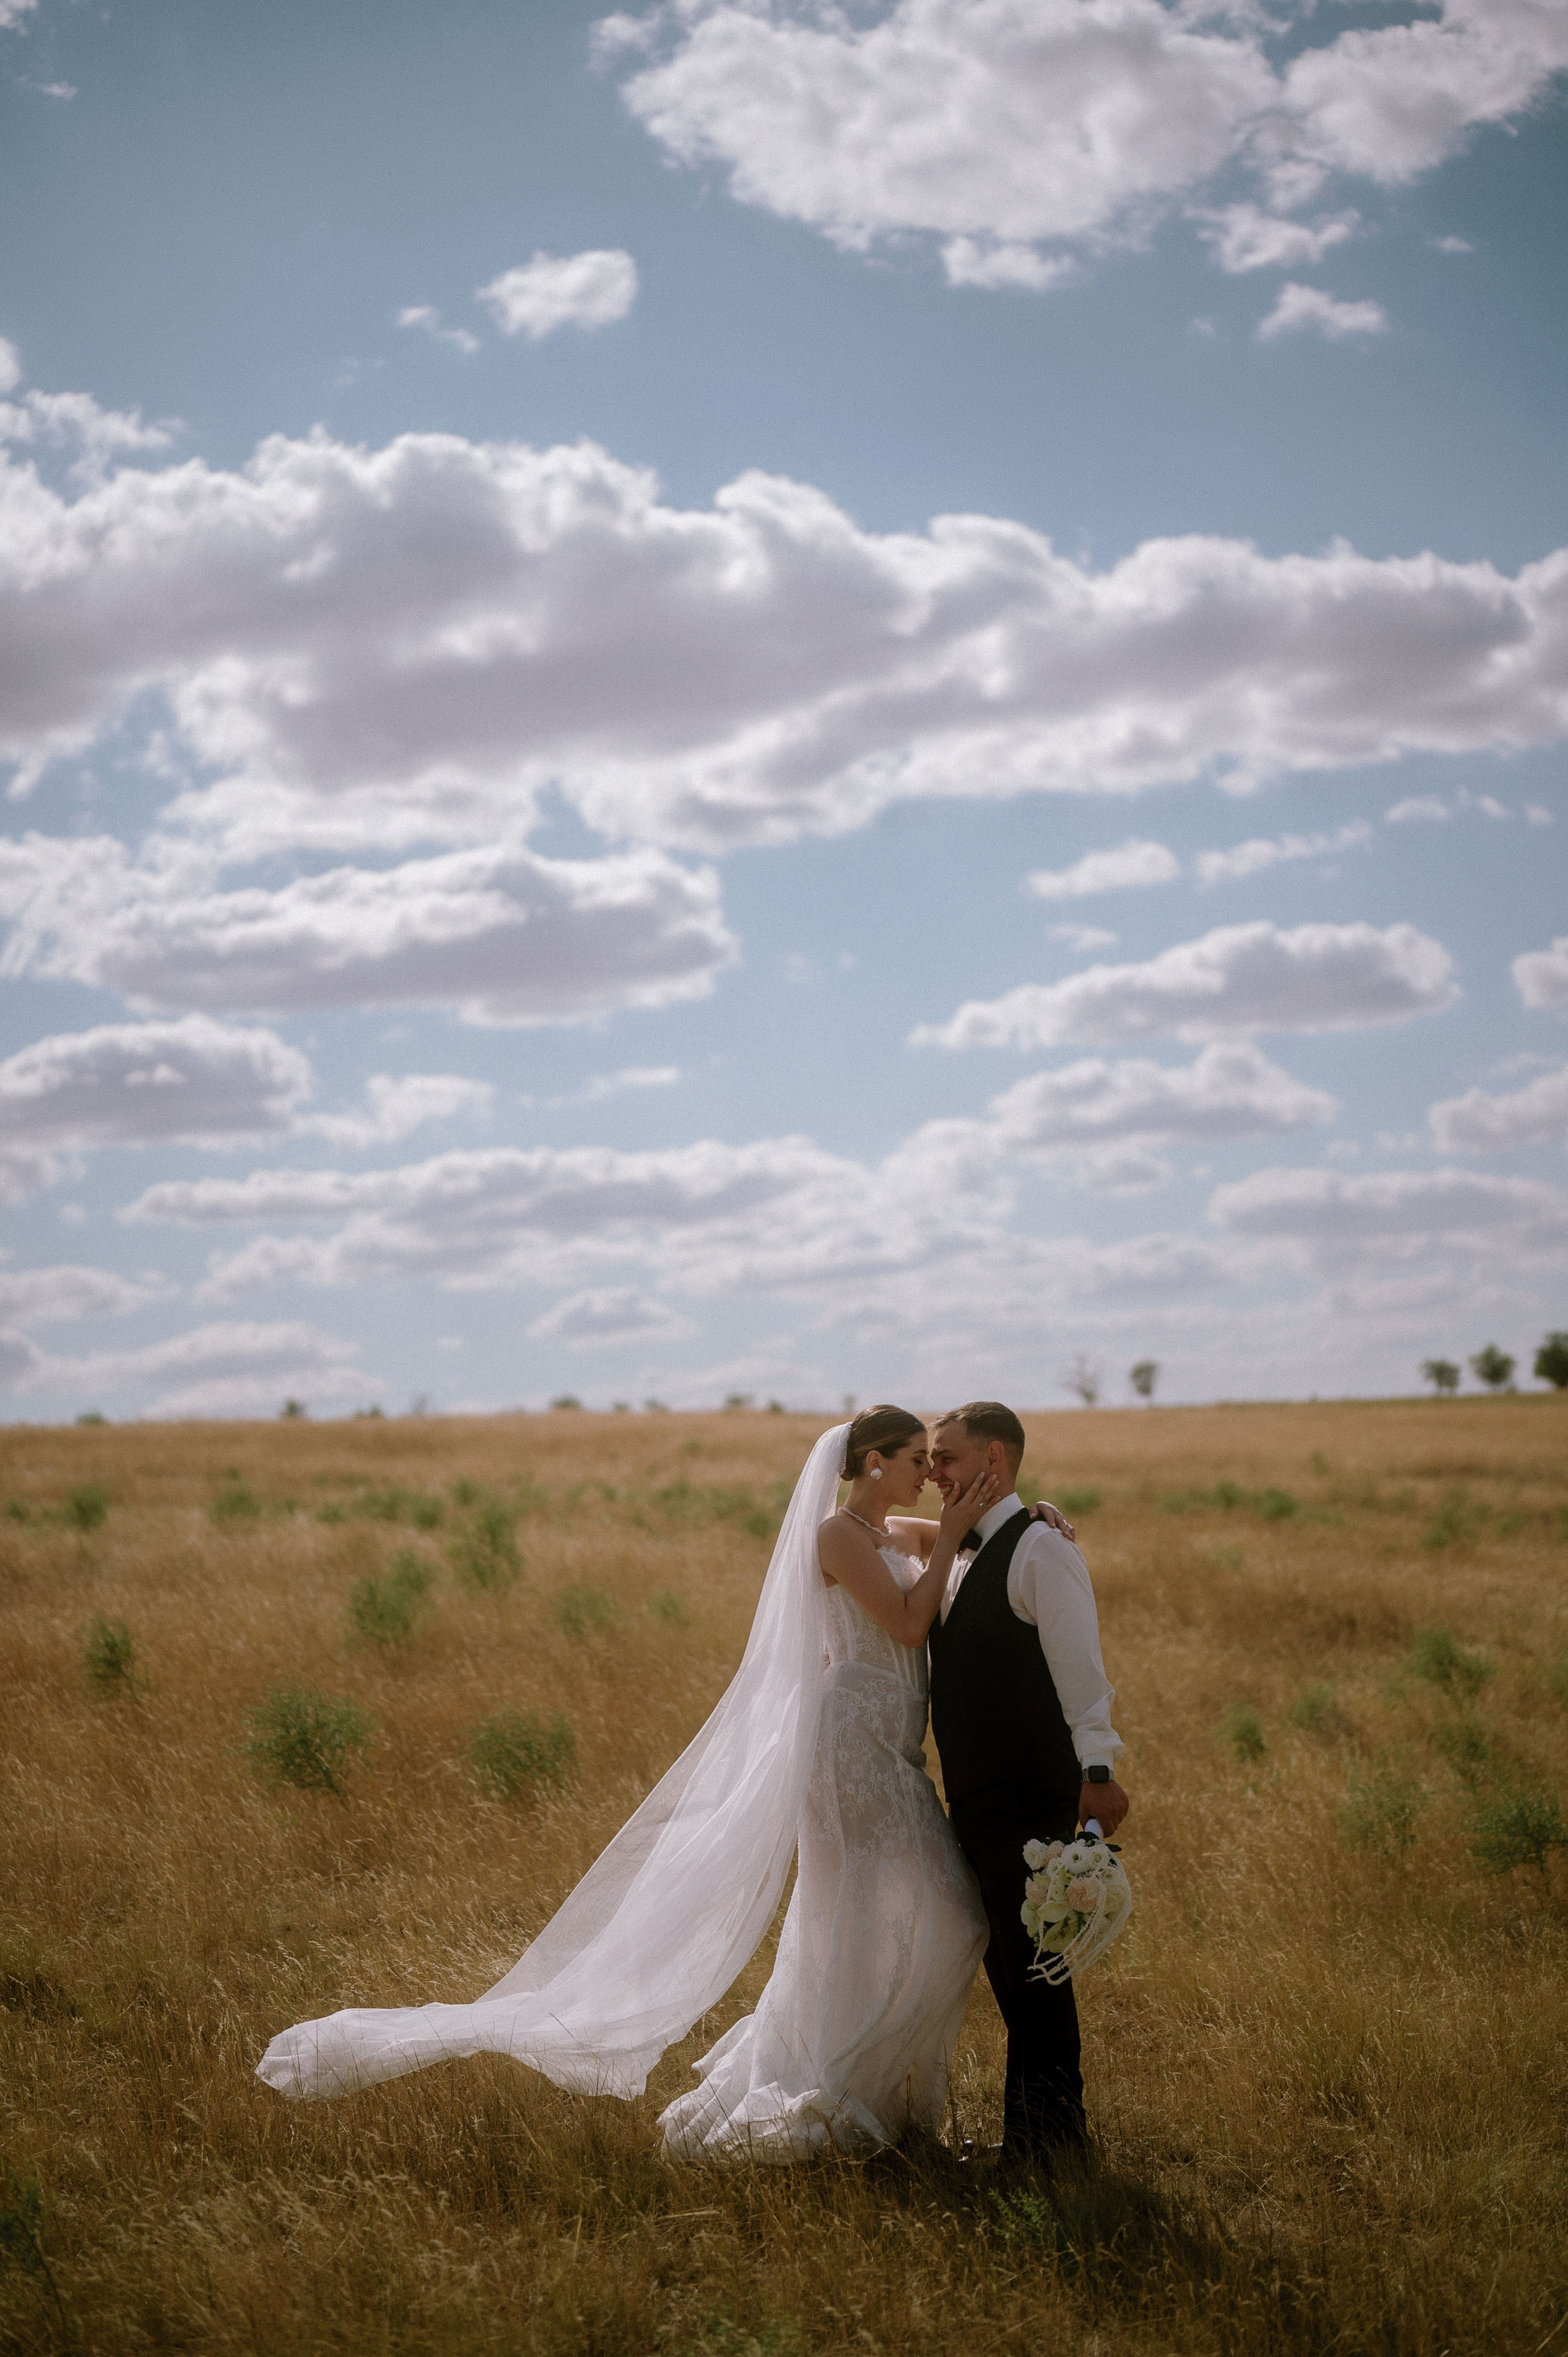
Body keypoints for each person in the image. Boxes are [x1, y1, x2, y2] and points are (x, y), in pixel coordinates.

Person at [255, 1408, 1078, 2164]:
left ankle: (876, 2095)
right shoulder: (837, 1537)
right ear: (869, 1463)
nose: (928, 1477)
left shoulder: (891, 1526)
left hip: (894, 1746)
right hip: (849, 1745)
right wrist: (961, 1528)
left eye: (935, 1464)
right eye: (913, 1462)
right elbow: (906, 1622)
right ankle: (836, 2089)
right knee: (941, 1908)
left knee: (902, 1915)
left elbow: (973, 1542)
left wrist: (1029, 1517)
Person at [925, 1401, 1128, 2171]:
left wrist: (1098, 1775)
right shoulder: (965, 1547)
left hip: (1033, 1798)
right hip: (978, 1800)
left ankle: (1051, 2148)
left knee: (1038, 1974)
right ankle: (1039, 2138)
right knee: (1012, 1973)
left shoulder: (1041, 1551)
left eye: (946, 1457)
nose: (933, 1473)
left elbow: (1083, 1675)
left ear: (995, 1461)